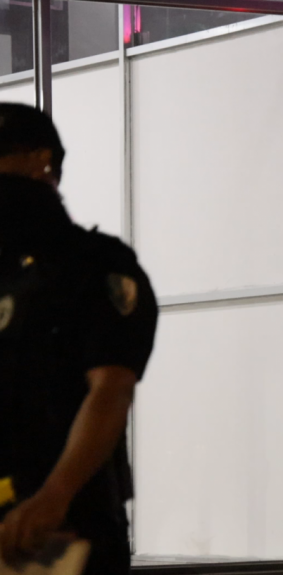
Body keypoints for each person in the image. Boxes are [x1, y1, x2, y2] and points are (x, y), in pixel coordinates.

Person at [0, 103, 159, 574]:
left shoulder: (95, 264)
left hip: (61, 526)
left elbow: (111, 388)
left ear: (42, 162)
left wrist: (55, 495)